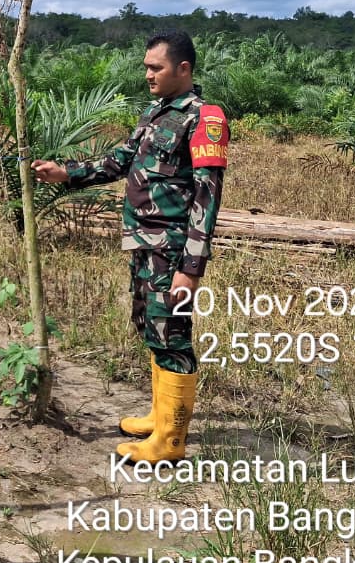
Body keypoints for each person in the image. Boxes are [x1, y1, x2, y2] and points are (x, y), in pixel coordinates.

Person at [31, 29, 228, 464]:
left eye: (156, 68)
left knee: (172, 334)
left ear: (183, 68)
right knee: (151, 326)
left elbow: (207, 195)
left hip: (172, 249)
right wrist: (66, 173)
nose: (148, 75)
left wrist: (191, 267)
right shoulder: (155, 112)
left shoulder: (204, 118)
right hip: (143, 243)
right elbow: (120, 160)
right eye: (146, 67)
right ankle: (161, 416)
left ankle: (170, 442)